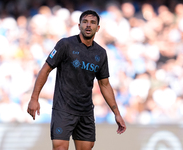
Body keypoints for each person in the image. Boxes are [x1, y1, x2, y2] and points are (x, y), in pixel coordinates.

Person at [27, 10, 126, 150]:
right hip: (63, 108)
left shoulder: (101, 53)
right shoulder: (65, 44)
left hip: (85, 111)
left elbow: (104, 84)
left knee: (86, 148)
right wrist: (34, 98)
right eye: (85, 22)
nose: (88, 25)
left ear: (98, 28)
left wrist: (117, 114)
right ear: (79, 25)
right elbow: (45, 69)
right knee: (60, 147)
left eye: (92, 23)